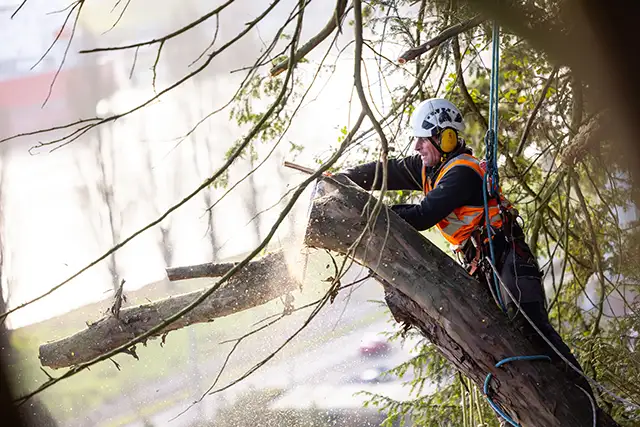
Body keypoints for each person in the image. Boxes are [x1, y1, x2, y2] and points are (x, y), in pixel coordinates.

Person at [338, 97, 592, 396]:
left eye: (422, 141)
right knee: (492, 337)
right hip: (483, 266)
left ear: (444, 137)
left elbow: (422, 216)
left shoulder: (463, 172)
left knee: (531, 326)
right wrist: (343, 179)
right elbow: (385, 171)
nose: (417, 148)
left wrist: (370, 213)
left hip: (508, 257)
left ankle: (583, 395)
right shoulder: (429, 168)